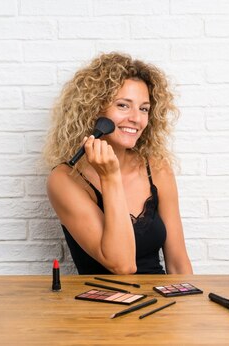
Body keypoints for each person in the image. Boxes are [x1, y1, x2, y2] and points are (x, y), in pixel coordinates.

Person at [43, 52, 193, 275]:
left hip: (161, 303)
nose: (136, 118)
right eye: (123, 105)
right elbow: (123, 265)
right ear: (94, 110)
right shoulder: (65, 180)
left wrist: (190, 307)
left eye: (144, 108)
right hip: (102, 305)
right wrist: (110, 177)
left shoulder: (157, 168)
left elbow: (179, 263)